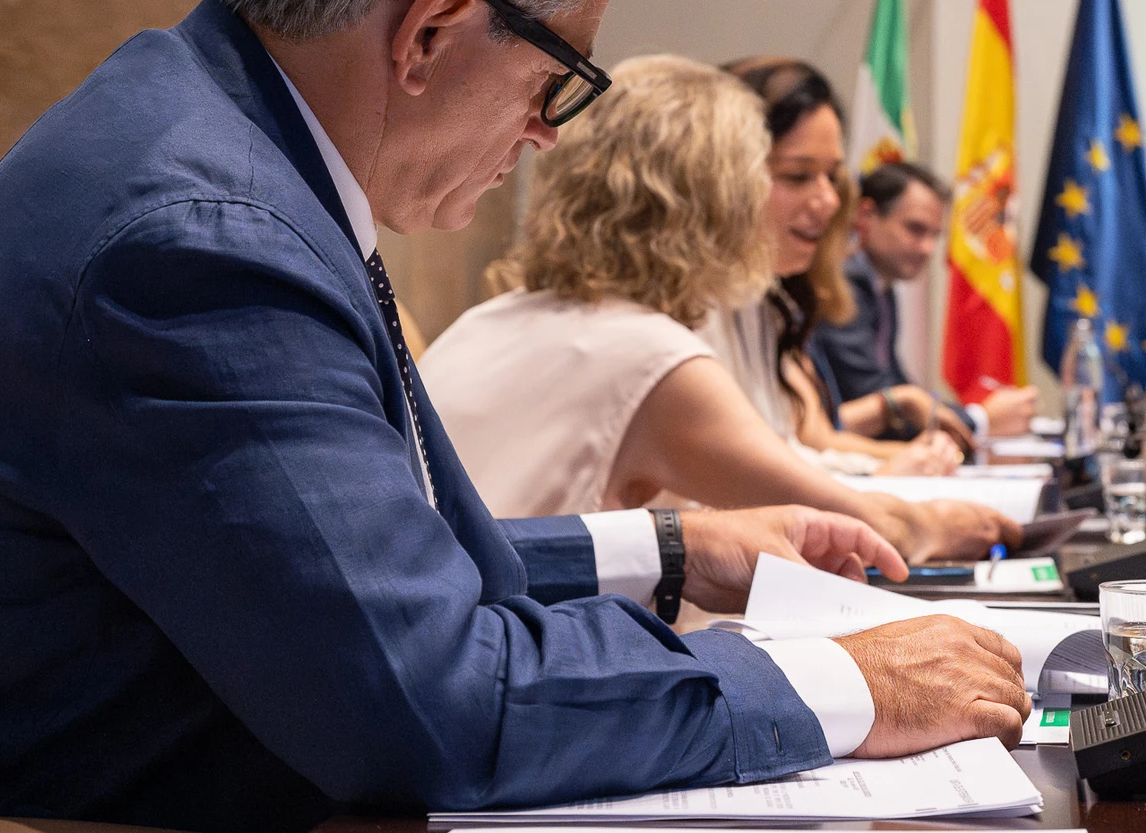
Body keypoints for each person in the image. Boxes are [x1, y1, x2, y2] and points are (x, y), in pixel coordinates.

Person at [0, 0, 1028, 830]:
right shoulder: (204, 242)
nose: (547, 132)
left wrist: (670, 547)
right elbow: (432, 703)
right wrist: (838, 687)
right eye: (559, 79)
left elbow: (341, 565)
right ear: (433, 31)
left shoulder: (212, 145)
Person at [420, 54, 1018, 562]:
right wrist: (954, 524)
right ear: (715, 199)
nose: (826, 203)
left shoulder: (487, 321)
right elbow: (862, 527)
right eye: (775, 177)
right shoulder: (652, 355)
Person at [713, 57, 970, 471]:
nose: (831, 202)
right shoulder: (695, 312)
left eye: (833, 177)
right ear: (720, 176)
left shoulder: (767, 304)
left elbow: (798, 448)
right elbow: (743, 479)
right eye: (799, 176)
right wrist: (888, 475)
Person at [813, 161, 1040, 441]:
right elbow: (873, 394)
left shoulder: (880, 287)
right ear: (866, 214)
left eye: (935, 235)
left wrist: (963, 415)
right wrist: (978, 419)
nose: (928, 249)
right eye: (915, 229)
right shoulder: (843, 284)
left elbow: (899, 387)